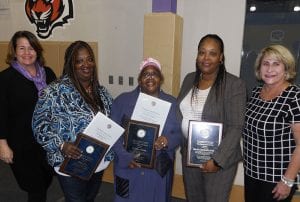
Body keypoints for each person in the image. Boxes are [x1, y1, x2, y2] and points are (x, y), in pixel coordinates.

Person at [32, 40, 113, 202]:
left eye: (90, 59)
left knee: (89, 199)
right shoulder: (54, 92)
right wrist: (61, 145)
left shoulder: (101, 91)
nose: (86, 64)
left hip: (97, 161)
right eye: (79, 60)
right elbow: (39, 125)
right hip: (70, 164)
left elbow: (113, 119)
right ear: (71, 64)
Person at [177, 34, 247, 202]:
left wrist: (217, 160)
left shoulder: (233, 85)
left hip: (219, 161)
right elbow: (179, 112)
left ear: (221, 57)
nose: (206, 58)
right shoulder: (189, 79)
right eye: (202, 52)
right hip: (191, 155)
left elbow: (236, 126)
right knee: (193, 198)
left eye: (212, 53)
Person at [111, 57, 181, 202]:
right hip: (128, 167)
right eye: (145, 74)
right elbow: (112, 133)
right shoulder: (122, 101)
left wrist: (167, 140)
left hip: (157, 170)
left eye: (154, 74)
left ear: (160, 78)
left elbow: (180, 133)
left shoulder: (172, 103)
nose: (150, 77)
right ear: (139, 79)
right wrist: (124, 157)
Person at [0, 30, 56, 202]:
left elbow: (57, 105)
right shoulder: (5, 78)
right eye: (21, 48)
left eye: (31, 48)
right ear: (14, 52)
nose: (27, 53)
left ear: (37, 50)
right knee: (36, 188)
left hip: (46, 141)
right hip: (21, 145)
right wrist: (2, 144)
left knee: (46, 181)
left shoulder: (48, 73)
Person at [243, 44, 300, 202]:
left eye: (276, 64)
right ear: (259, 68)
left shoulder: (294, 97)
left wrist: (287, 180)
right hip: (251, 174)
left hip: (277, 180)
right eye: (265, 64)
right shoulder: (256, 92)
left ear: (286, 69)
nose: (269, 69)